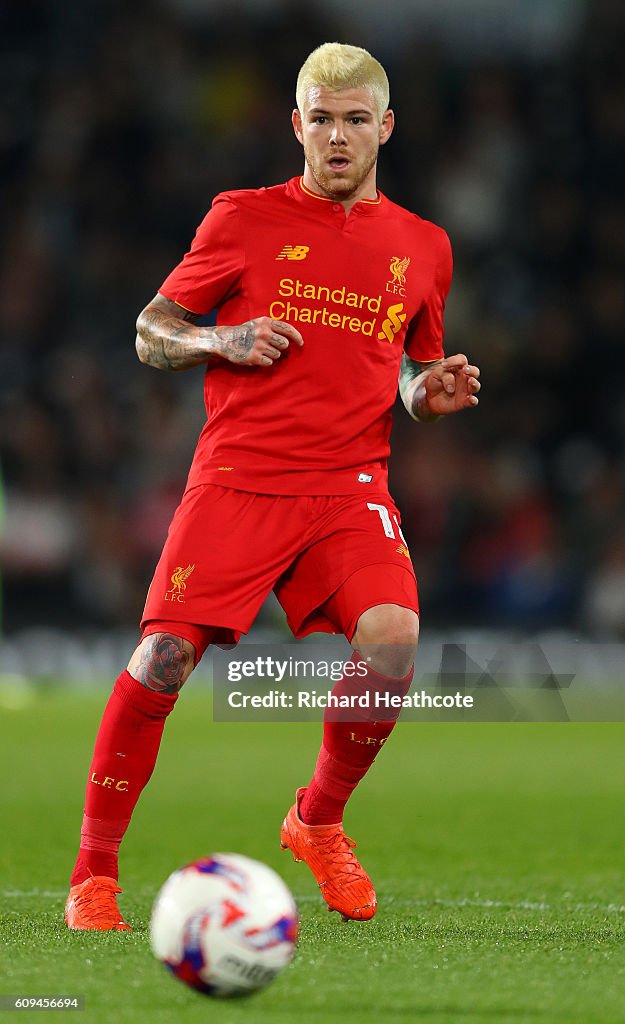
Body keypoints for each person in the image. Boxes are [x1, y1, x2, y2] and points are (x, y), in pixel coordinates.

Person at [65, 42, 480, 931]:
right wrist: (222, 340)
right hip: (240, 478)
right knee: (162, 660)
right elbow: (150, 331)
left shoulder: (423, 246)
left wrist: (427, 395)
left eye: (355, 120)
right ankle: (93, 873)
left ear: (385, 128)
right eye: (321, 120)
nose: (337, 138)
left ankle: (317, 821)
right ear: (297, 125)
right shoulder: (242, 219)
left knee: (395, 641)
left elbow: (408, 369)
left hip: (348, 482)